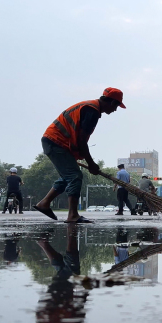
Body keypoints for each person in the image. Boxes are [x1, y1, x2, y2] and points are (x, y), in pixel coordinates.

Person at [33, 87, 125, 223]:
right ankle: (73, 215)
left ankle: (44, 203)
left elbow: (78, 139)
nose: (115, 110)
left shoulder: (91, 107)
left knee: (67, 177)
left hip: (54, 142)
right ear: (111, 103)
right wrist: (91, 163)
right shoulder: (92, 111)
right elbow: (82, 141)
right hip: (56, 142)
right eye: (116, 106)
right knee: (75, 176)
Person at [35, 224, 89, 323]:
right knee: (63, 271)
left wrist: (84, 295)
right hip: (49, 313)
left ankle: (72, 231)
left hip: (54, 310)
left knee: (72, 270)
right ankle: (44, 244)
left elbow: (77, 317)